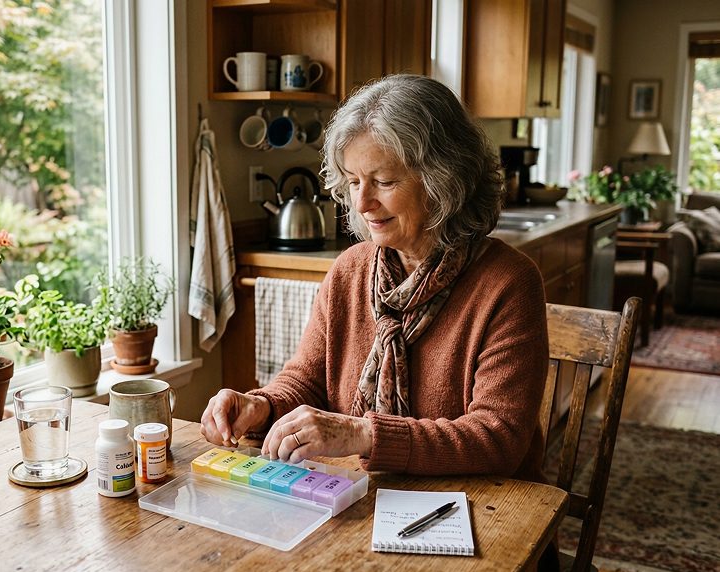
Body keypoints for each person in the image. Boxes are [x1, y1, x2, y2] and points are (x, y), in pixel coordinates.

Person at [201, 74, 549, 481]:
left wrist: (362, 434)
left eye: (383, 182)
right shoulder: (349, 270)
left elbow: (498, 438)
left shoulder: (509, 283)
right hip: (365, 490)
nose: (362, 203)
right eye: (353, 182)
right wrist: (261, 405)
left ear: (443, 181)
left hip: (483, 502)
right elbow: (307, 380)